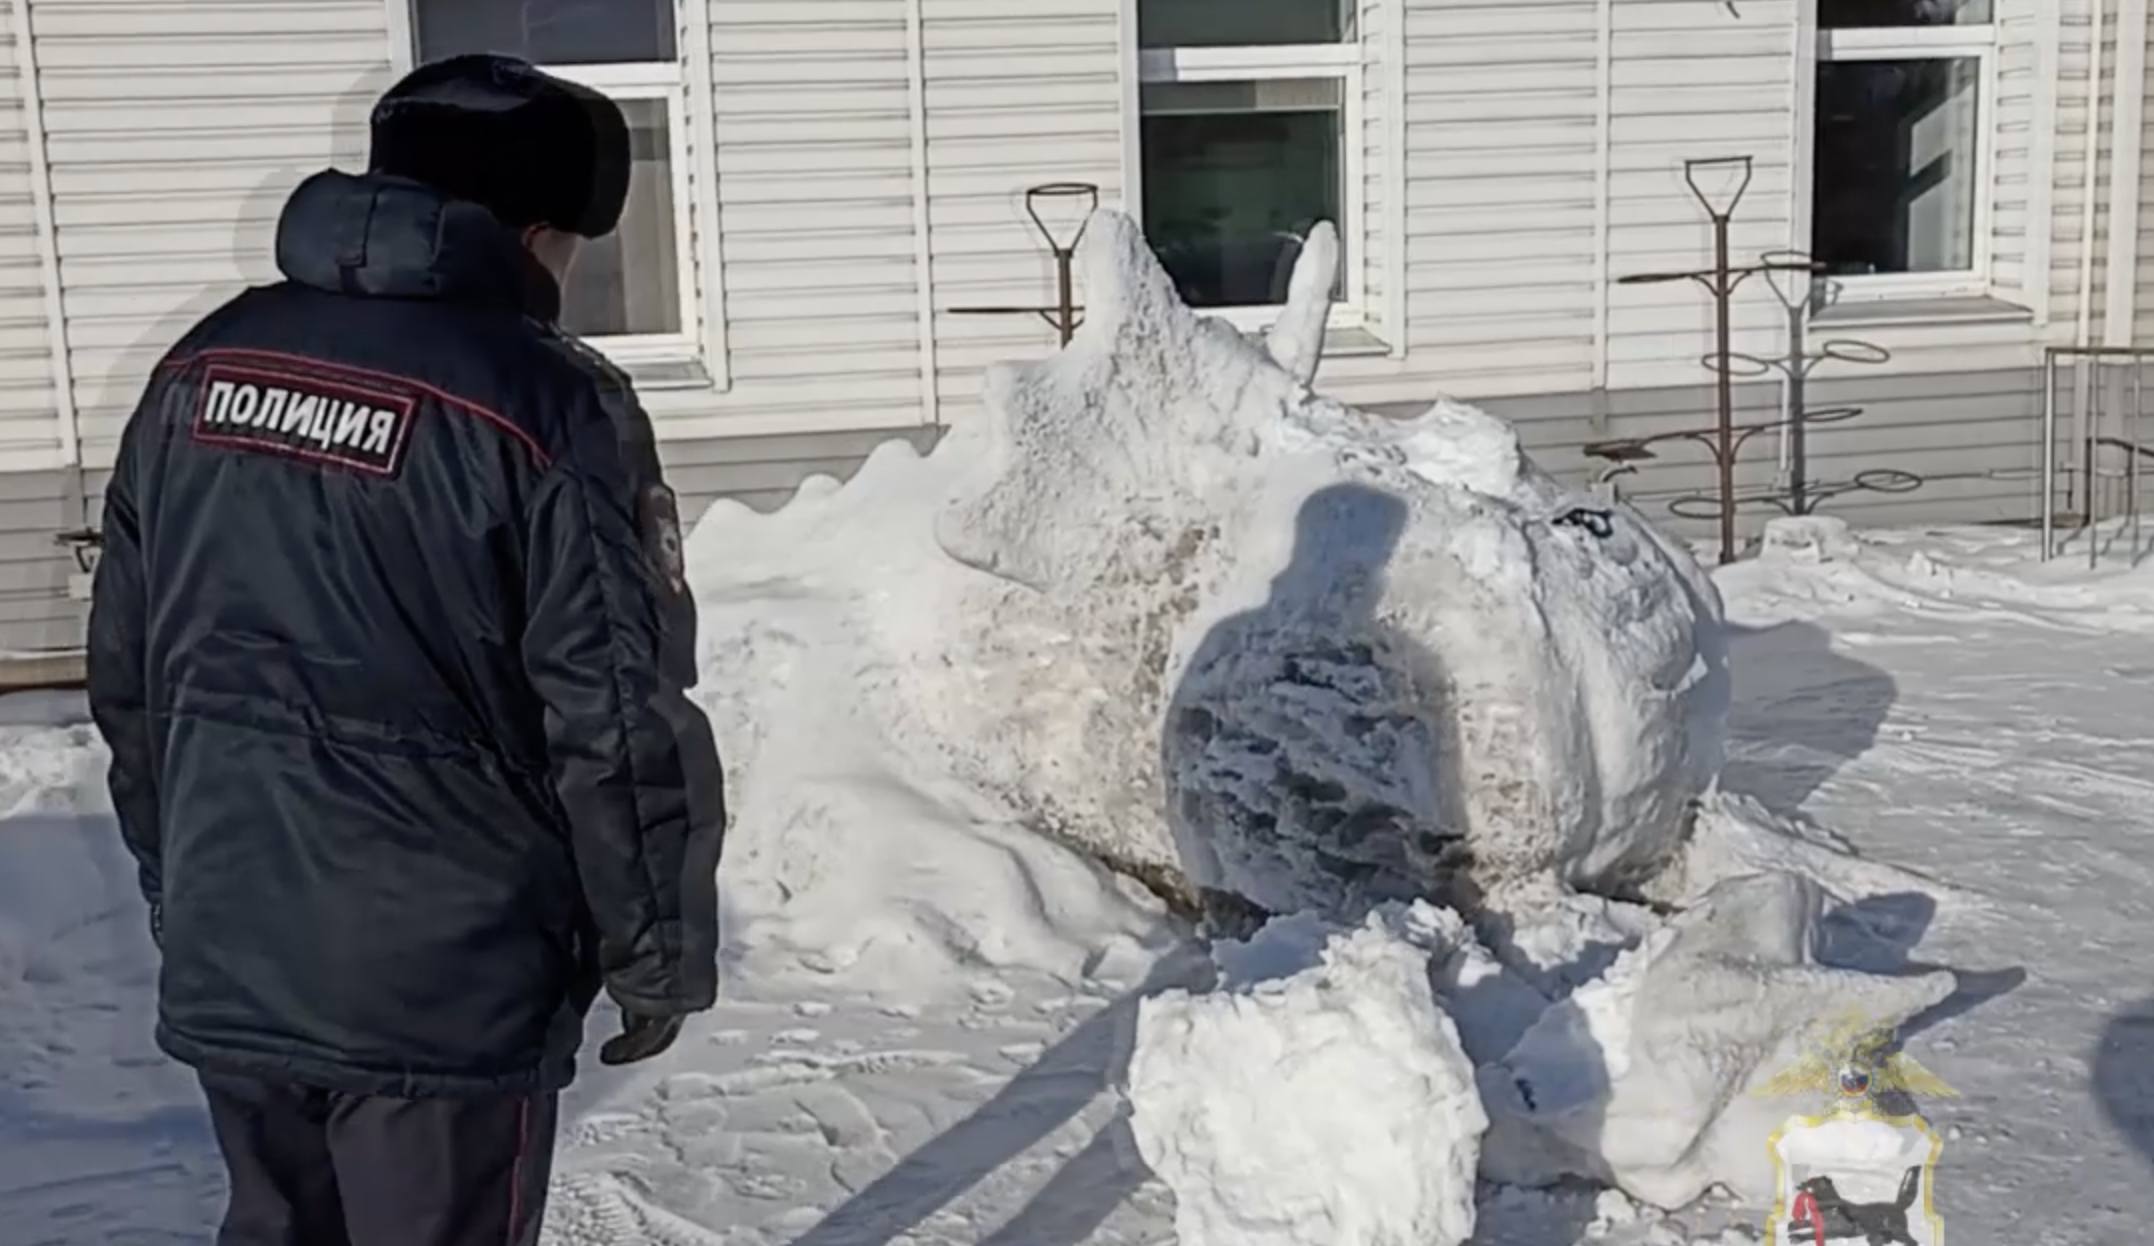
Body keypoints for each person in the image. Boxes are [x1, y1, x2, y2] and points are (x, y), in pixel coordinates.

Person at [83, 53, 728, 1246]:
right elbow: (616, 715)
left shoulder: (200, 366)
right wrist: (657, 948)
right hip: (446, 986)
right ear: (535, 232)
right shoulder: (544, 403)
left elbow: (128, 678)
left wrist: (184, 882)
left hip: (241, 938)